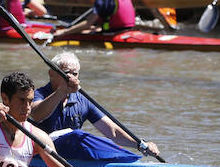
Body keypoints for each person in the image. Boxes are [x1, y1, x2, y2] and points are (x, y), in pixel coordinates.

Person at [28, 50, 160, 159]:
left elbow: (113, 132)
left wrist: (141, 145)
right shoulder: (38, 94)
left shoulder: (83, 100)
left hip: (68, 153)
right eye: (66, 73)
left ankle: (131, 159)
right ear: (51, 73)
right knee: (77, 135)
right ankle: (127, 158)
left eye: (75, 74)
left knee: (99, 140)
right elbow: (37, 115)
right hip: (41, 151)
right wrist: (61, 91)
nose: (72, 78)